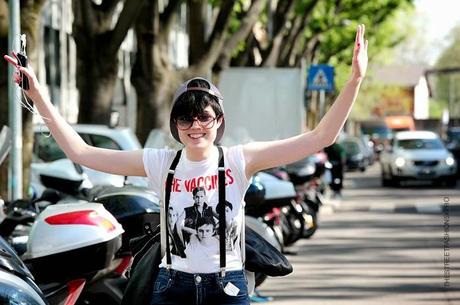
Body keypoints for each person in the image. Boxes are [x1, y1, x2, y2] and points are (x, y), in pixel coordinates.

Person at [4, 24, 368, 305]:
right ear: (175, 125)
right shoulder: (162, 162)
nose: (196, 126)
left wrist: (354, 81)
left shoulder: (241, 160)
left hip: (226, 286)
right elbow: (82, 152)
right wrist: (38, 95)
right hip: (172, 285)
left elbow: (321, 137)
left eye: (204, 118)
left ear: (218, 121)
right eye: (186, 119)